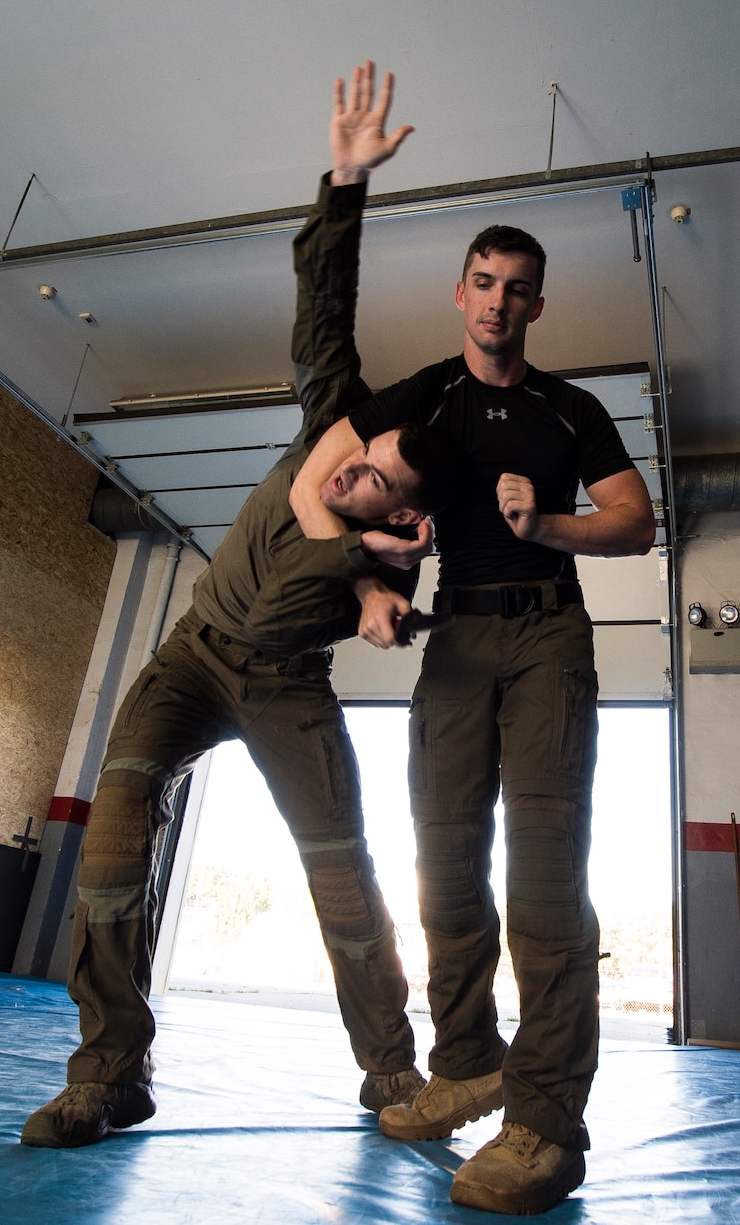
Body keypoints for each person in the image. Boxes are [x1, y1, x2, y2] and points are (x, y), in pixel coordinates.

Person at [23, 62, 456, 1150]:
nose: (355, 469)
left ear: (407, 519)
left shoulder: (393, 557)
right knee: (113, 837)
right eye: (366, 455)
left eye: (383, 484)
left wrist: (378, 608)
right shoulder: (331, 420)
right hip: (186, 657)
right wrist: (346, 184)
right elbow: (322, 302)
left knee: (342, 871)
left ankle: (393, 1072)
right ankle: (110, 1069)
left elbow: (374, 602)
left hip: (283, 690)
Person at [291, 206, 655, 1213]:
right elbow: (315, 479)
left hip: (546, 633)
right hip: (454, 637)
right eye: (482, 282)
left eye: (516, 287)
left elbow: (635, 521)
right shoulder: (428, 396)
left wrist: (546, 521)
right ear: (461, 293)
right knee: (443, 861)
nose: (498, 302)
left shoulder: (568, 409)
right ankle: (465, 1061)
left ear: (537, 302)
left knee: (542, 879)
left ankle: (543, 1119)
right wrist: (362, 581)